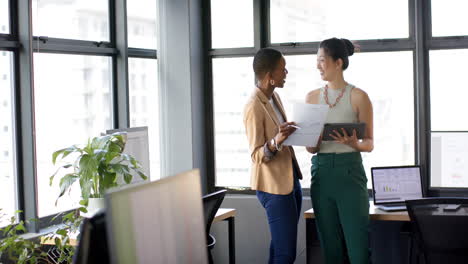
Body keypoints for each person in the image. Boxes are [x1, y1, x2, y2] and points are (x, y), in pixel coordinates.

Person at [305, 38, 374, 264]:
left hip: (350, 173)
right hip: (321, 174)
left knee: (359, 251)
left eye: (322, 60)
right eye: (317, 61)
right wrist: (311, 137)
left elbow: (369, 143)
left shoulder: (359, 96)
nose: (318, 66)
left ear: (338, 62)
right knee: (330, 249)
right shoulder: (312, 97)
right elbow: (310, 148)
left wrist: (354, 144)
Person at [243, 48, 303, 264]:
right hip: (273, 187)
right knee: (285, 253)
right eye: (282, 69)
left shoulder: (274, 96)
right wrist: (277, 141)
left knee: (280, 248)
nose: (286, 72)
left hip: (289, 180)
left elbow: (278, 134)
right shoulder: (253, 106)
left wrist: (288, 132)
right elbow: (256, 155)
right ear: (269, 76)